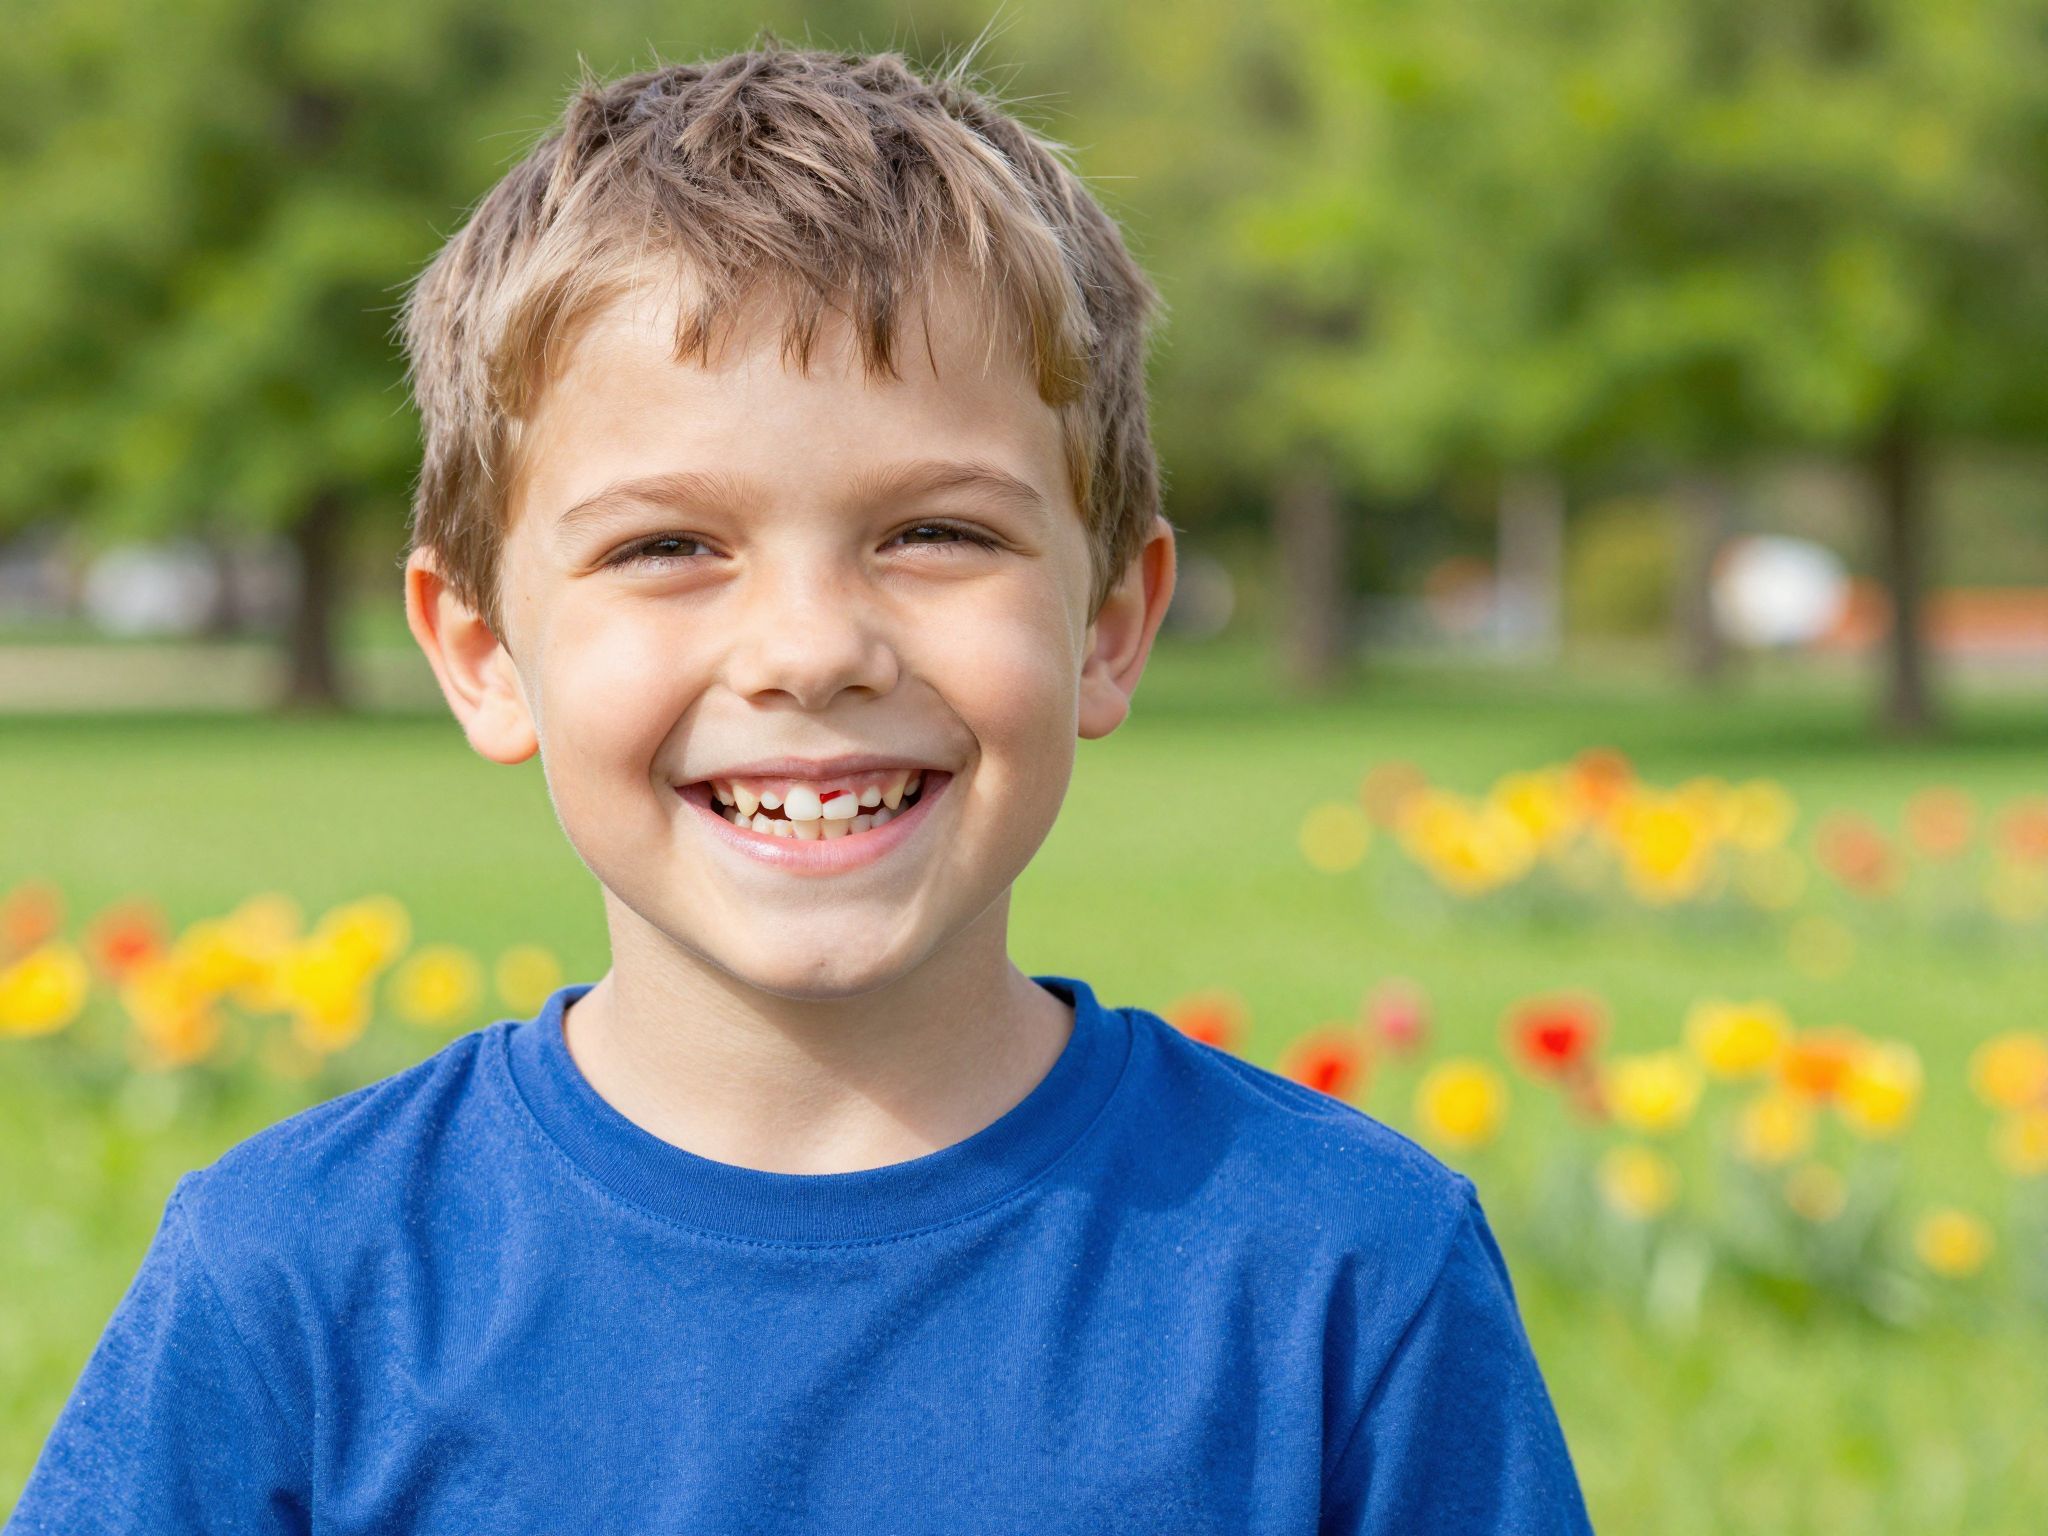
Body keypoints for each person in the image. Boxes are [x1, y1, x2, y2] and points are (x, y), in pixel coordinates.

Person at [6, 41, 1596, 1534]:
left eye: (937, 533)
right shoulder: (294, 1282)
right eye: (666, 549)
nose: (810, 649)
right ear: (484, 650)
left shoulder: (1345, 1272)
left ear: (1110, 624)